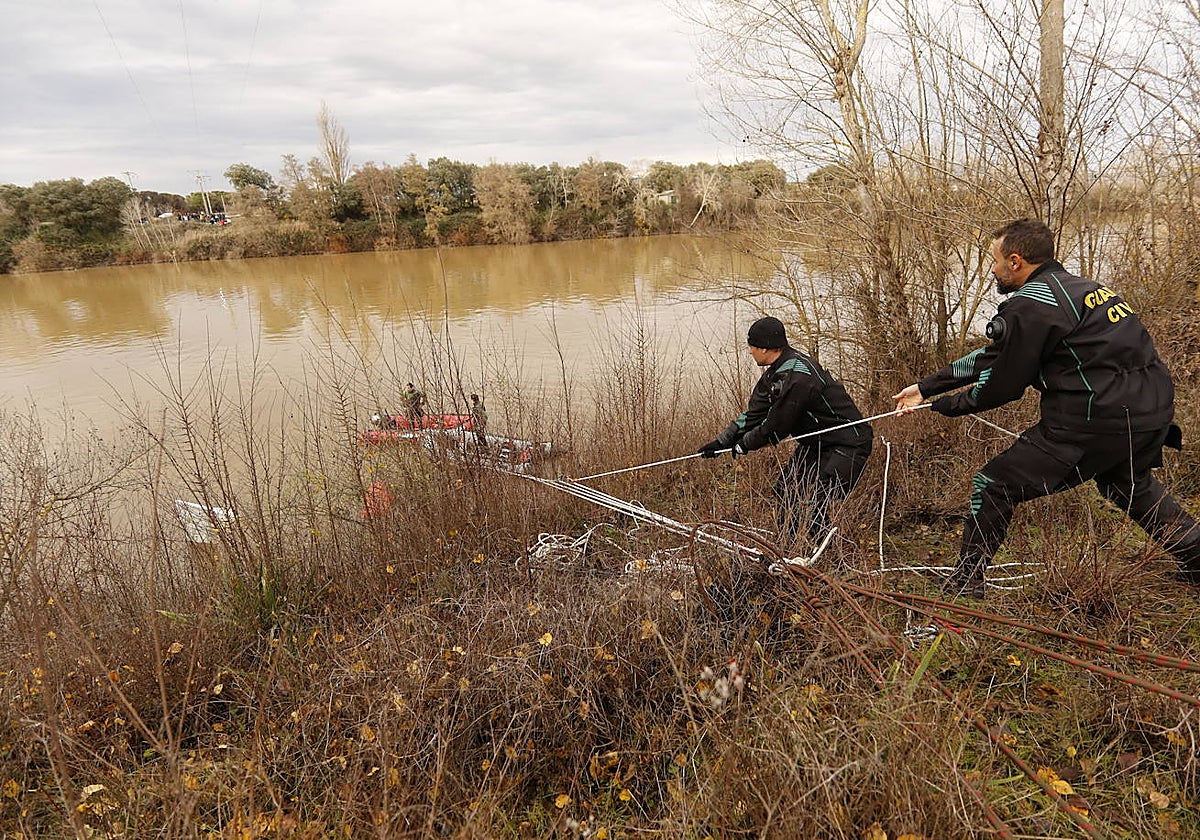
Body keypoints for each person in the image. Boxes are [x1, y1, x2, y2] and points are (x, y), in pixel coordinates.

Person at [893, 218, 1200, 599]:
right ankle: (1197, 559)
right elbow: (995, 355)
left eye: (995, 261)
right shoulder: (1090, 290)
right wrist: (925, 388)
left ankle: (966, 583)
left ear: (1016, 261)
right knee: (1129, 485)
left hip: (1091, 421)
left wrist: (944, 406)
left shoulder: (1029, 306)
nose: (993, 270)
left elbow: (1002, 387)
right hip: (1150, 413)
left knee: (993, 486)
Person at [697, 316, 874, 553]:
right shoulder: (774, 374)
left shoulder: (799, 377)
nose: (749, 351)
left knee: (813, 502)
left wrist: (743, 445)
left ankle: (832, 556)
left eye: (752, 346)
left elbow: (777, 427)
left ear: (764, 348)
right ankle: (787, 551)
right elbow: (753, 414)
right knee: (786, 492)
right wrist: (721, 442)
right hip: (815, 445)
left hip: (848, 443)